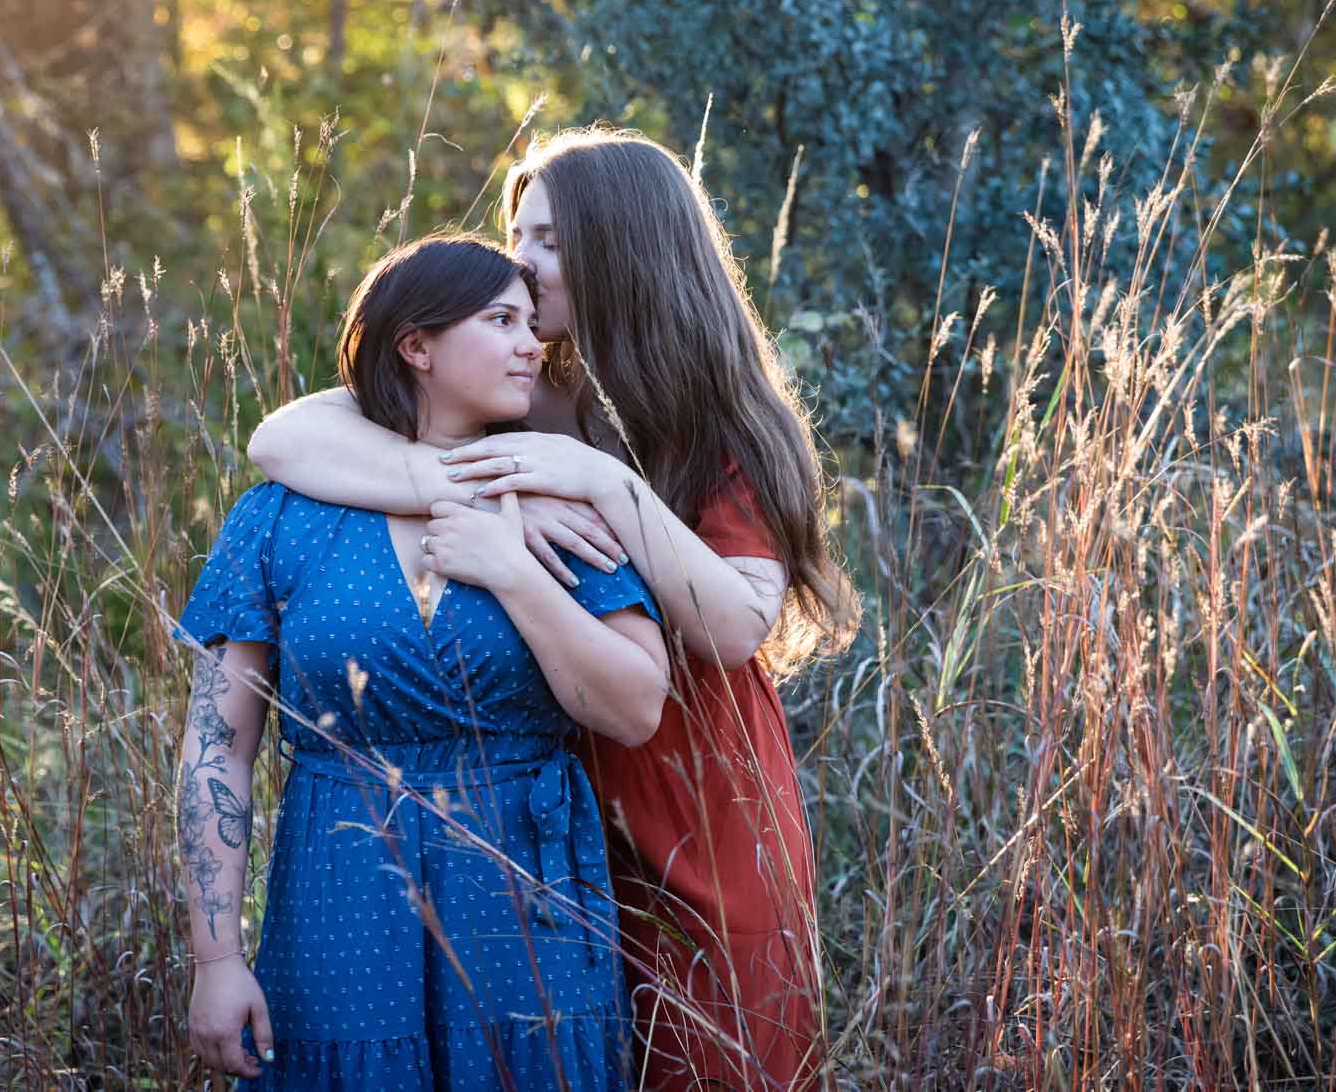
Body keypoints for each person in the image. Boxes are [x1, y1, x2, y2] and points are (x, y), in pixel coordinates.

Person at [248, 127, 858, 1090]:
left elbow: (738, 624)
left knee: (717, 1054)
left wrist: (599, 483)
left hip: (699, 789)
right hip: (542, 785)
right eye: (517, 235)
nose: (520, 264)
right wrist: (456, 480)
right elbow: (283, 437)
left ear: (624, 247)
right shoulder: (526, 389)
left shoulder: (729, 414)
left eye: (547, 241)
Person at [173, 234, 670, 1089]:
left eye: (531, 322)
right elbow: (217, 747)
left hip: (528, 893)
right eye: (501, 320)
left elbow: (635, 706)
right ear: (417, 345)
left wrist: (512, 568)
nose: (532, 343)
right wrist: (216, 958)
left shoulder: (555, 502)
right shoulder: (279, 517)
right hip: (340, 888)